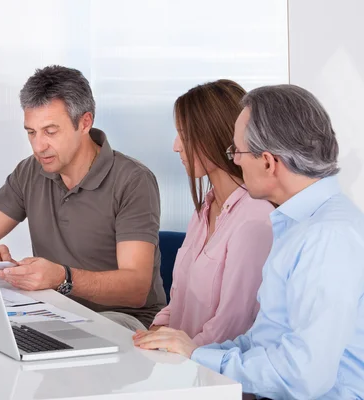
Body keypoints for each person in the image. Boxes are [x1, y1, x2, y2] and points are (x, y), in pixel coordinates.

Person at [133, 84, 364, 399]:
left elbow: (303, 376)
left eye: (237, 152)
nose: (235, 163)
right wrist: (191, 350)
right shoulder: (297, 224)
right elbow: (261, 340)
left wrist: (197, 355)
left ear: (268, 162)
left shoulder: (326, 236)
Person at [0, 65, 167, 331]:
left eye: (50, 131)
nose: (38, 146)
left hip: (121, 320)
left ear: (85, 123)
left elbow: (135, 289)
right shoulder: (30, 171)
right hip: (53, 313)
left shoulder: (133, 181)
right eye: (31, 132)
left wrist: (63, 278)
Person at [133, 80, 273, 347]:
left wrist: (175, 350)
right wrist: (155, 329)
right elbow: (179, 301)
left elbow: (231, 327)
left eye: (184, 133)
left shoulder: (255, 220)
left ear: (215, 135)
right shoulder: (203, 212)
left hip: (212, 373)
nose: (176, 146)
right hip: (180, 365)